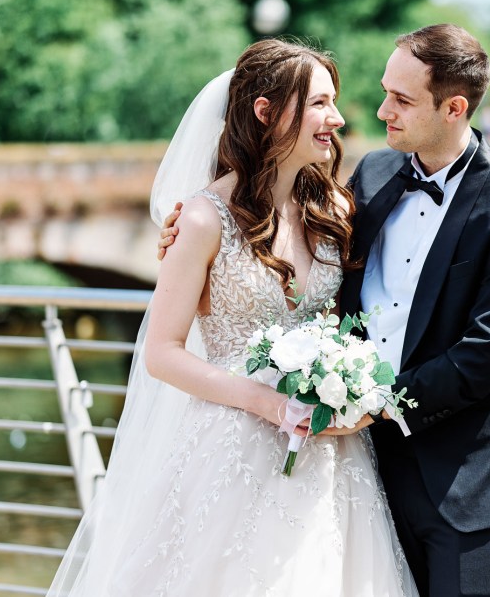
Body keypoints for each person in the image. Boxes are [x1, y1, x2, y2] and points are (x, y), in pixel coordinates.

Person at [161, 24, 490, 596]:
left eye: (401, 99)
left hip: (472, 487)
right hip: (364, 474)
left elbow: (487, 354)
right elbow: (302, 269)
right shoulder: (369, 178)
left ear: (454, 108)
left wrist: (372, 406)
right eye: (384, 92)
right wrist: (190, 240)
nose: (377, 111)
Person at [51, 39, 417, 596]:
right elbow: (163, 353)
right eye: (319, 103)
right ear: (265, 111)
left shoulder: (334, 211)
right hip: (231, 444)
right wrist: (270, 404)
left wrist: (353, 395)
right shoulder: (202, 220)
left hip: (331, 452)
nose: (338, 118)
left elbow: (349, 322)